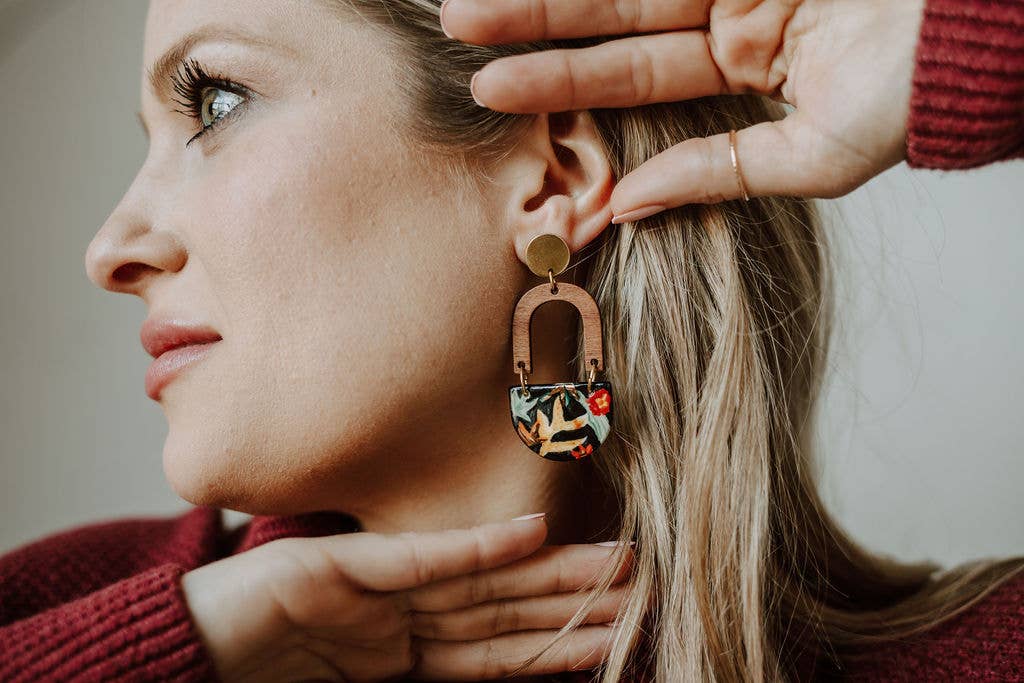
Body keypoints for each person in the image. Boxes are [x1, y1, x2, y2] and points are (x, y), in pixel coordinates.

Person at [0, 0, 1021, 681]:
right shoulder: (60, 613)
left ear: (552, 179)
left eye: (213, 102)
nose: (109, 247)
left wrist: (945, 41)